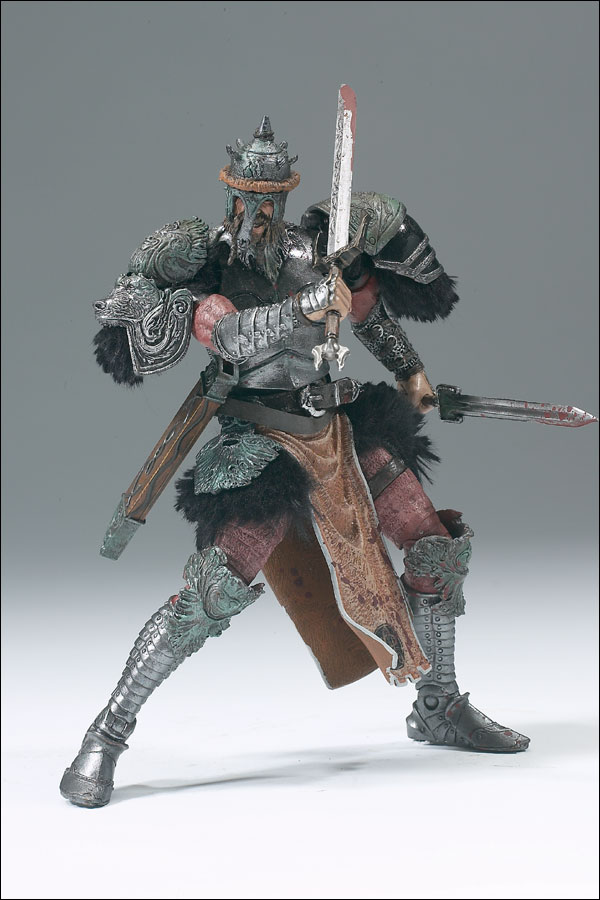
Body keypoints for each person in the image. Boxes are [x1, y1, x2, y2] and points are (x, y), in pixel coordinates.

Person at [60, 116, 529, 809]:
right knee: (211, 593)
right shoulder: (210, 265)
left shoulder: (315, 250)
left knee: (433, 546)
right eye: (245, 200)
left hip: (336, 427)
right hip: (260, 439)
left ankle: (439, 704)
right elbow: (229, 335)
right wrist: (305, 306)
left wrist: (410, 373)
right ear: (229, 193)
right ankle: (107, 732)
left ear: (283, 197)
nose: (255, 215)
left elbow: (366, 315)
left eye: (268, 202)